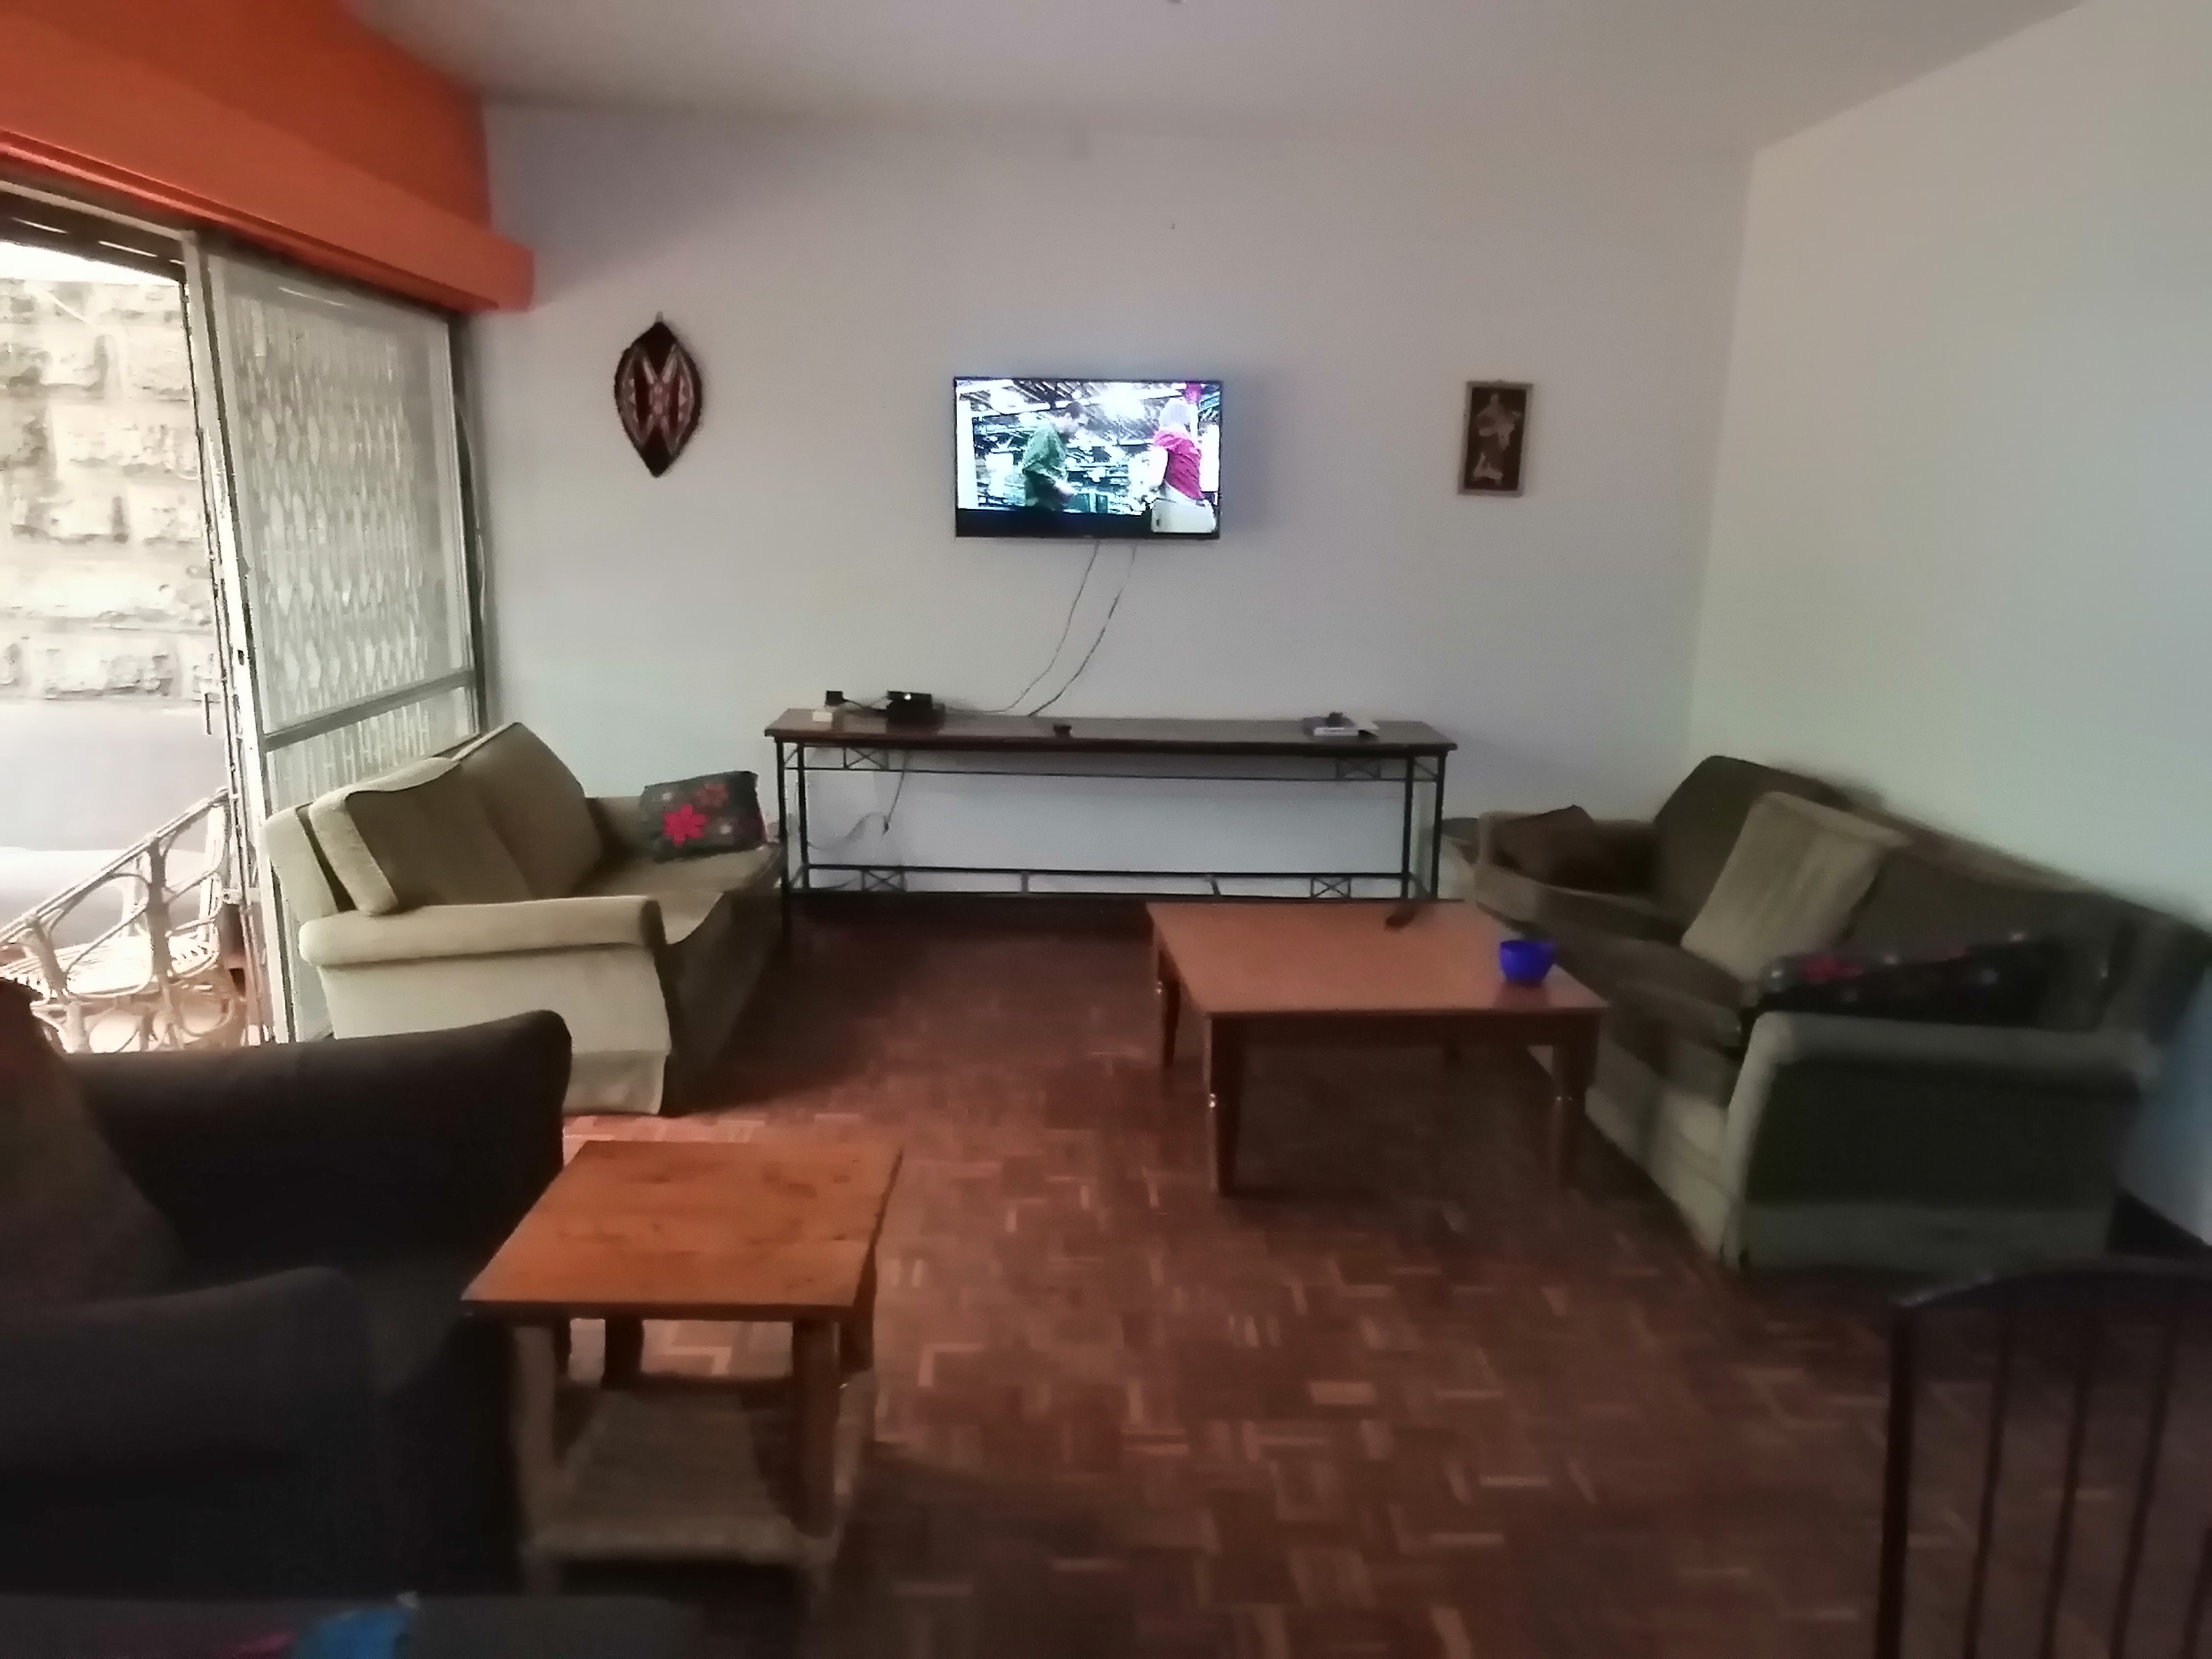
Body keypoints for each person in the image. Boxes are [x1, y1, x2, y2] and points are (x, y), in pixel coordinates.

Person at [1018, 398, 1084, 510]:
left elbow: (1053, 469)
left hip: (1052, 505)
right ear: (1068, 417)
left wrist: (1063, 485)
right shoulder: (1046, 432)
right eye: (1079, 424)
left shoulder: (1061, 440)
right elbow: (1030, 466)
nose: (1080, 429)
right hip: (1039, 507)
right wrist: (1058, 484)